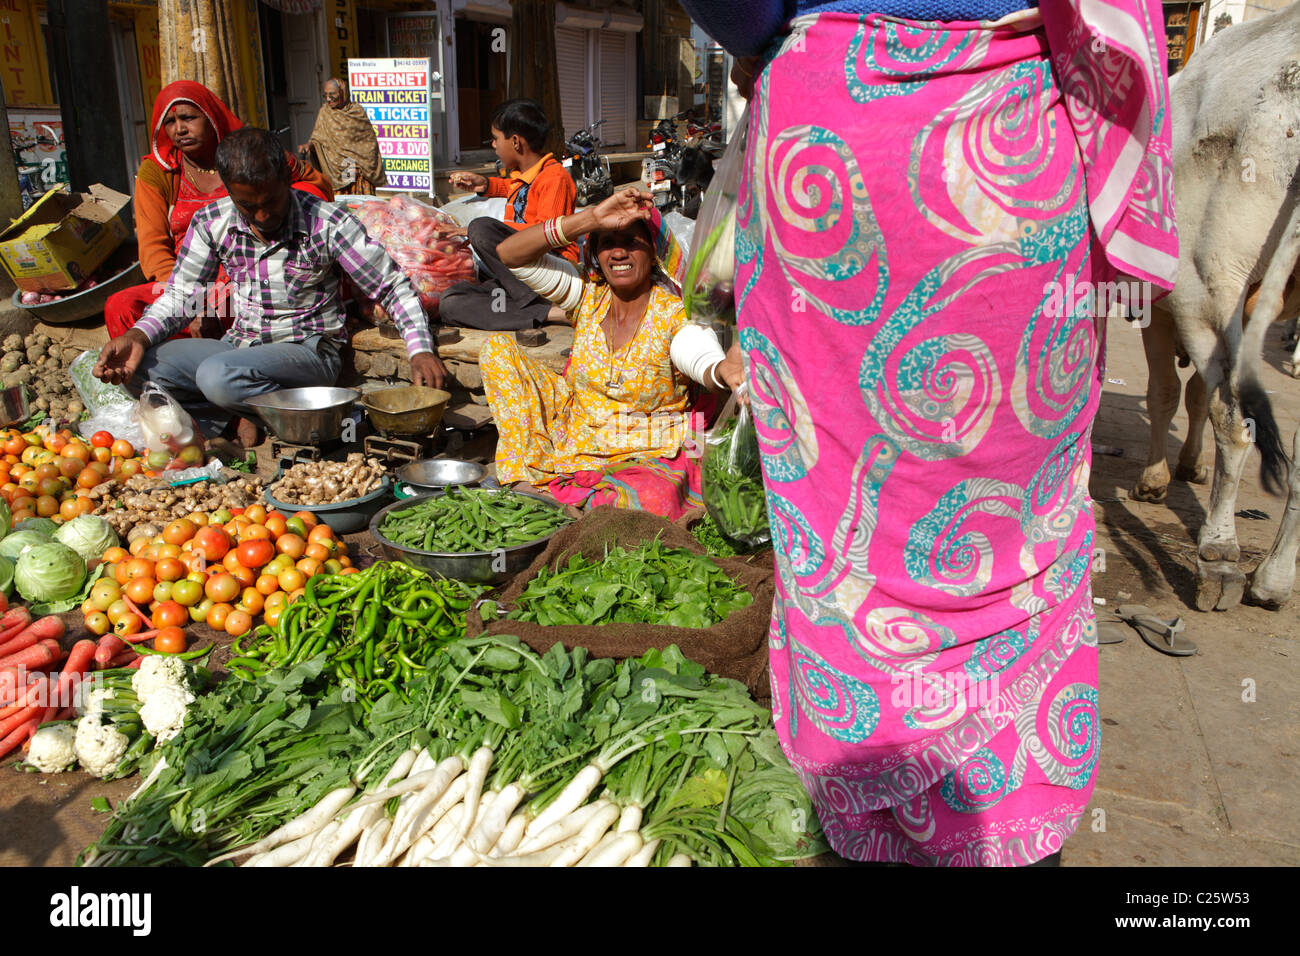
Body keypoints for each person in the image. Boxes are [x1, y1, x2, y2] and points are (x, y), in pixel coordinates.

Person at [679, 0, 1178, 866]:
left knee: (848, 515)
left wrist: (765, 41)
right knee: (1017, 522)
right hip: (1023, 148)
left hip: (840, 143)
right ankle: (1009, 799)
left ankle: (871, 797)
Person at [93, 127, 447, 449]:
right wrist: (138, 337)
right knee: (140, 365)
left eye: (271, 202)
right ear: (228, 191)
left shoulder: (327, 222)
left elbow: (390, 286)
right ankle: (236, 418)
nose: (262, 216)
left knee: (217, 375)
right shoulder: (211, 222)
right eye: (248, 206)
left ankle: (310, 417)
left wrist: (420, 349)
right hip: (239, 348)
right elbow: (182, 296)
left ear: (286, 179)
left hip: (308, 350)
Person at [478, 186, 741, 518]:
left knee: (646, 499)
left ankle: (576, 501)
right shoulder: (587, 297)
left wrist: (720, 371)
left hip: (646, 444)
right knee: (498, 350)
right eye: (607, 243)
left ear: (655, 251)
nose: (619, 253)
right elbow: (509, 253)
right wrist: (590, 218)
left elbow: (696, 353)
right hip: (577, 428)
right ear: (595, 255)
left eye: (632, 242)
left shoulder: (673, 312)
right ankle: (525, 482)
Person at [106, 80, 331, 340]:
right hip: (183, 282)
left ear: (211, 117)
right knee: (120, 306)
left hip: (250, 277)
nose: (179, 129)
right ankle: (156, 376)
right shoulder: (158, 173)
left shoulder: (250, 156)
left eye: (188, 118)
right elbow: (153, 248)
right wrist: (189, 302)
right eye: (170, 122)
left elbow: (315, 187)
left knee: (232, 311)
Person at [439, 99, 579, 331]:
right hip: (518, 282)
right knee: (450, 301)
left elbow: (547, 234)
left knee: (481, 228)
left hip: (551, 271)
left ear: (515, 141)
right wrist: (484, 184)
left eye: (495, 138)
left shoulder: (555, 178)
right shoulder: (523, 176)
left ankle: (539, 301)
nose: (493, 145)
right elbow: (514, 189)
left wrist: (473, 231)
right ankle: (550, 313)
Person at [297, 78, 387, 196]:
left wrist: (358, 165)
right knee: (342, 206)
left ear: (343, 92)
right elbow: (318, 139)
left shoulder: (356, 112)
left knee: (358, 206)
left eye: (332, 94)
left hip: (357, 168)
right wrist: (309, 145)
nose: (329, 99)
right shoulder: (325, 112)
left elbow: (369, 143)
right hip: (335, 169)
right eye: (326, 95)